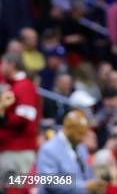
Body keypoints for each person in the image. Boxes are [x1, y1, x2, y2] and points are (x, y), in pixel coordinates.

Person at [37, 110, 107, 194]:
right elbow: (50, 182)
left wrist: (95, 184)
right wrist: (84, 186)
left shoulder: (81, 147)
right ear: (68, 129)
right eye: (80, 134)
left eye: (84, 134)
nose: (82, 138)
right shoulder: (49, 149)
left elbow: (86, 175)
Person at [0, 53, 40, 187]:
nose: (1, 68)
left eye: (3, 64)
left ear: (11, 65)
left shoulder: (24, 86)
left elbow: (25, 117)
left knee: (15, 189)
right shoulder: (12, 85)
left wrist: (3, 116)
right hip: (9, 149)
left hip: (18, 152)